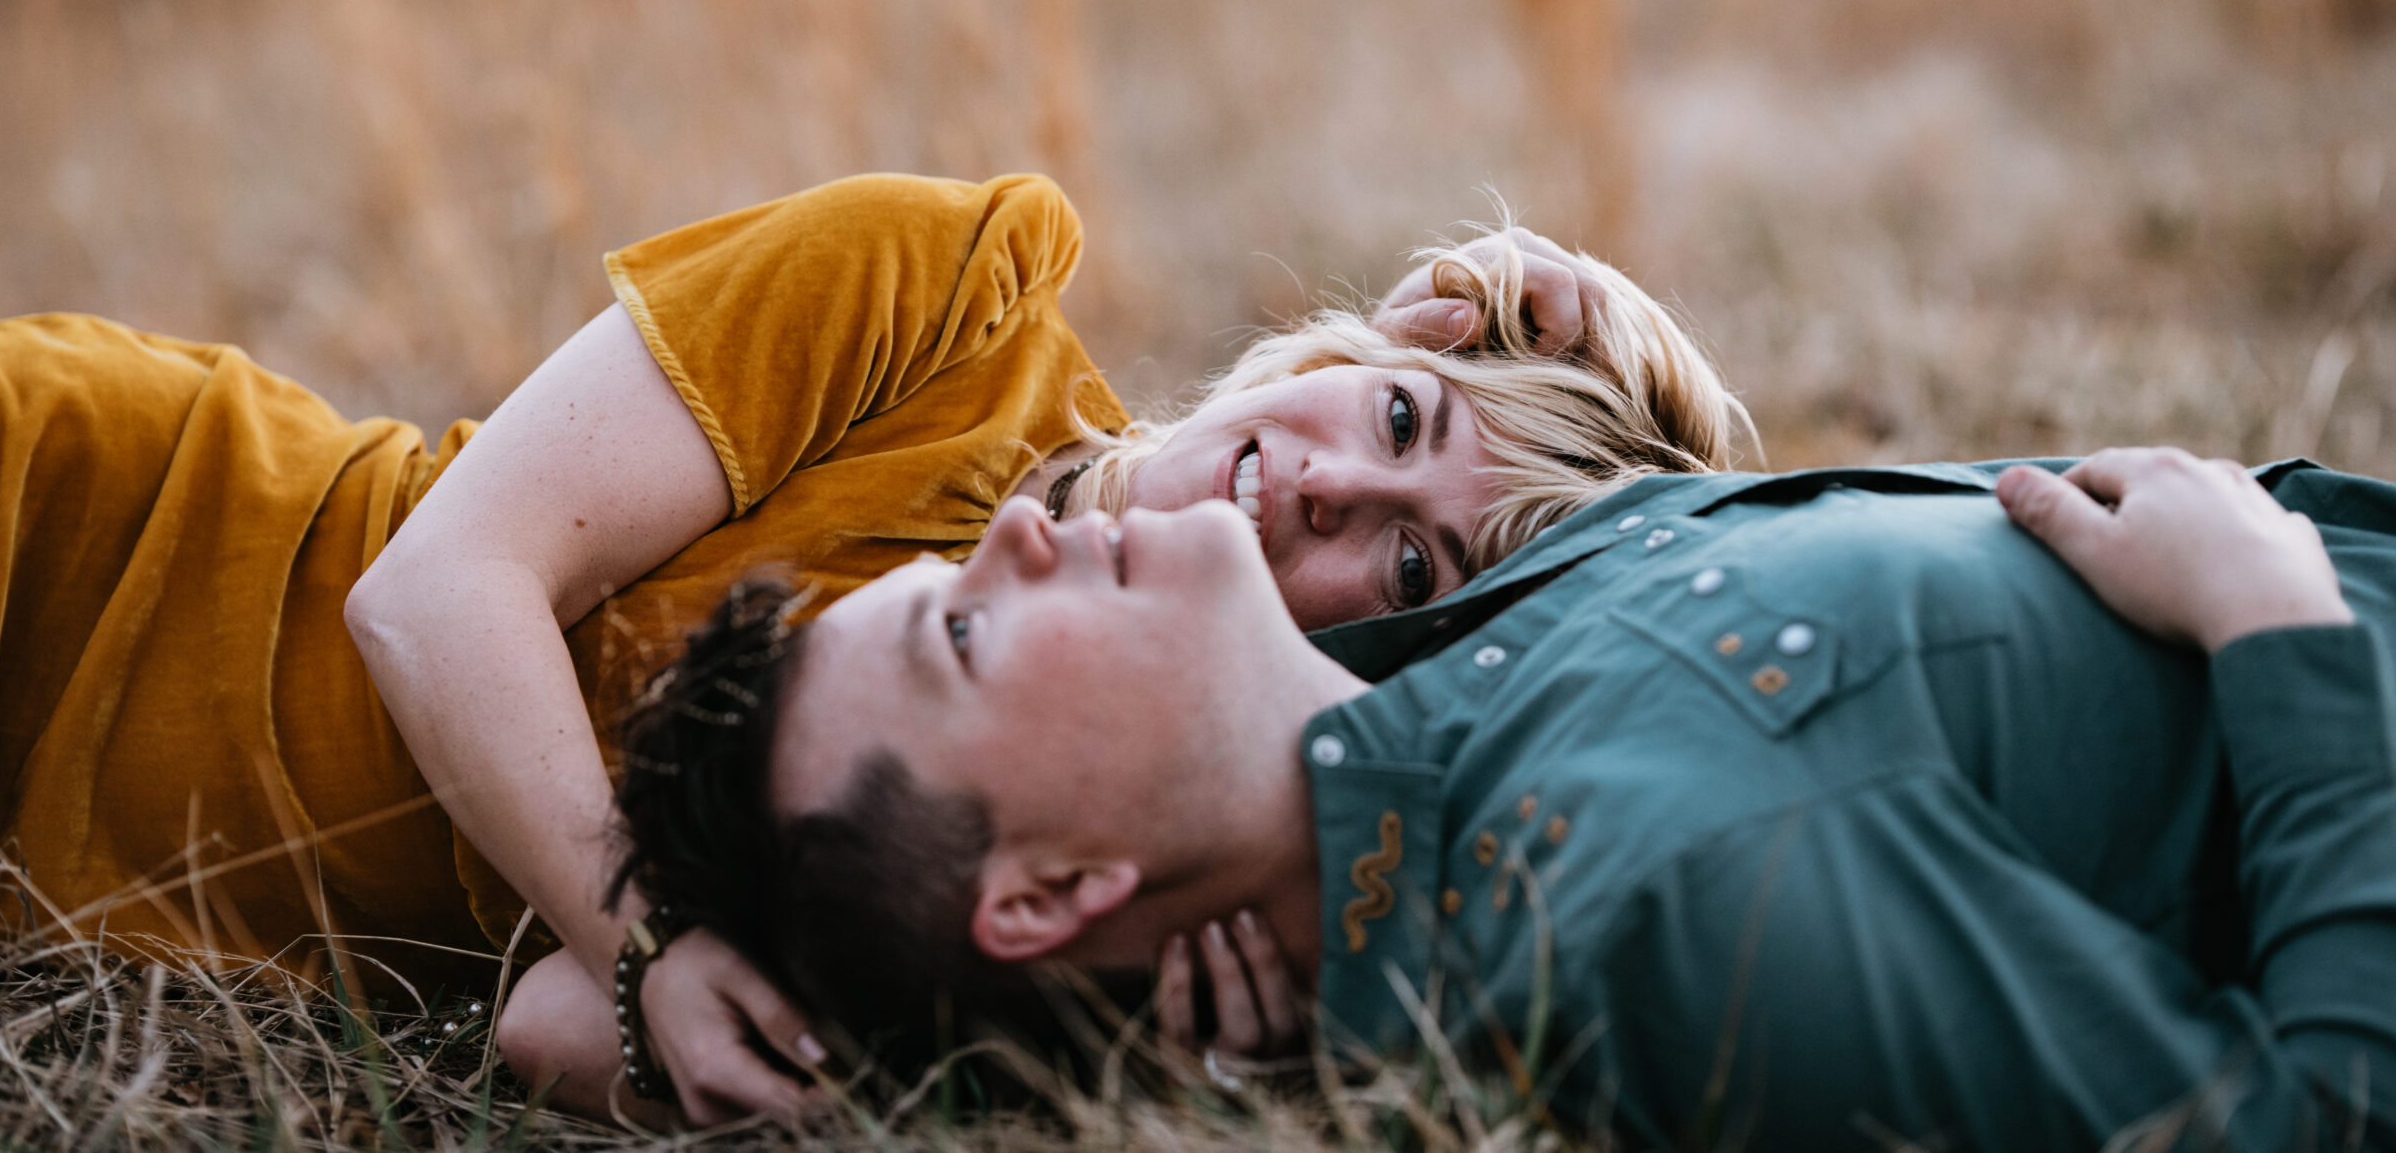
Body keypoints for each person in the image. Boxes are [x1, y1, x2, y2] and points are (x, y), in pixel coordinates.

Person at [0, 171, 1742, 1118]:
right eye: (1401, 416)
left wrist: (1134, 1074)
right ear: (1372, 346)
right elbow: (432, 590)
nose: (1330, 488)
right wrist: (650, 949)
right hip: (41, 538)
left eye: (1410, 566)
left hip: (18, 864)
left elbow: (548, 1031)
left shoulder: (1085, 804)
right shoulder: (952, 295)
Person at [619, 447, 2396, 1151]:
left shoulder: (1444, 650)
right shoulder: (1670, 901)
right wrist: (2277, 625)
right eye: (965, 632)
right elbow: (2316, 1119)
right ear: (1050, 889)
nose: (1016, 525)